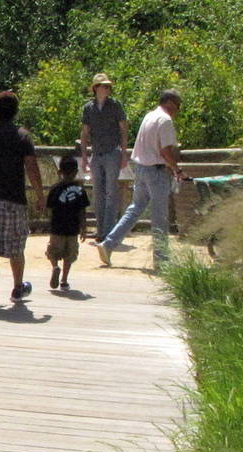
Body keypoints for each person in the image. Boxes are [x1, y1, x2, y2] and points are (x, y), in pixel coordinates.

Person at [94, 89, 186, 272]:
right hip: (156, 171)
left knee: (135, 208)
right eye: (177, 106)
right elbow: (165, 151)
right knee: (160, 217)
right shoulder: (165, 120)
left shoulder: (149, 116)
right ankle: (161, 261)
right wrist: (176, 169)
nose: (177, 111)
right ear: (171, 103)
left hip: (141, 168)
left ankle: (108, 244)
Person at [0, 89, 43, 308]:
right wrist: (40, 195)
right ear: (15, 111)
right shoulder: (22, 136)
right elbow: (31, 166)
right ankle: (17, 287)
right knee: (16, 246)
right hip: (13, 198)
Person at [80, 73, 127, 240]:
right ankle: (100, 230)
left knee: (111, 193)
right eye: (104, 86)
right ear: (96, 88)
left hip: (112, 152)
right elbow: (84, 133)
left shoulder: (115, 105)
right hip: (96, 154)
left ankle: (108, 231)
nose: (107, 89)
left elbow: (123, 130)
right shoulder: (88, 108)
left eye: (108, 86)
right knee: (98, 193)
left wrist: (124, 154)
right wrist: (84, 156)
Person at [45, 154, 89, 291]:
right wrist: (83, 228)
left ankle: (55, 266)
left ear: (60, 172)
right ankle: (64, 280)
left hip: (57, 227)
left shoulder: (55, 189)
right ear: (76, 172)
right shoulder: (80, 190)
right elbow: (82, 211)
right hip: (73, 228)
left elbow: (49, 208)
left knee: (53, 252)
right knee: (69, 255)